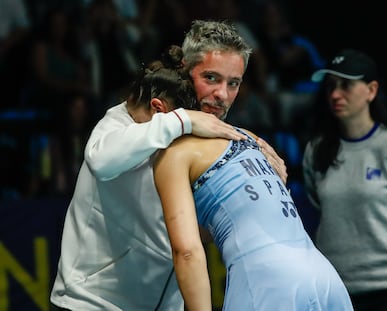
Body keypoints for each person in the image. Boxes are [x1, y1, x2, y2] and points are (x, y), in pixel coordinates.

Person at [50, 20, 287, 311]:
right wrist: (183, 119)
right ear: (185, 69)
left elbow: (194, 235)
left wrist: (266, 177)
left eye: (233, 83)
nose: (222, 95)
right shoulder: (129, 116)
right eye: (211, 78)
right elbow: (101, 160)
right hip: (91, 304)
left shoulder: (212, 143)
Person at [153, 95, 354, 310]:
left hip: (264, 280)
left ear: (158, 109)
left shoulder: (175, 154)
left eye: (233, 83)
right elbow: (232, 219)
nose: (222, 93)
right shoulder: (247, 136)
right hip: (323, 275)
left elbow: (187, 252)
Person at [302, 49, 387, 310]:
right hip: (339, 290)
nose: (335, 94)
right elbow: (319, 206)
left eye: (346, 85)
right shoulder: (316, 151)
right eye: (330, 86)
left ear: (371, 91)